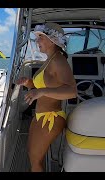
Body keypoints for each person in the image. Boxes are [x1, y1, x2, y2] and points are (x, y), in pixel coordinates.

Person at [16, 23, 77, 172]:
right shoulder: (49, 60)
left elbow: (72, 91)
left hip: (51, 118)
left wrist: (42, 92)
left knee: (35, 160)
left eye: (40, 38)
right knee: (32, 155)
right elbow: (42, 86)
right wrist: (28, 82)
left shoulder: (58, 61)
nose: (37, 42)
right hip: (40, 116)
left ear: (52, 40)